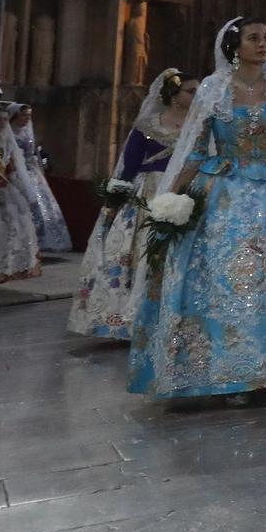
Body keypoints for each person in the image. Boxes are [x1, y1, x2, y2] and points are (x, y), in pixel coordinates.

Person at [128, 18, 266, 402]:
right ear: (234, 46)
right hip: (226, 193)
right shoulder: (214, 89)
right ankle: (231, 368)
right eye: (253, 38)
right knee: (226, 277)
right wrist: (170, 199)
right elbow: (196, 150)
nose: (263, 44)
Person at [68, 69, 197, 338]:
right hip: (147, 194)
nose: (196, 96)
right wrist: (116, 201)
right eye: (191, 91)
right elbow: (129, 166)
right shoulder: (148, 126)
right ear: (174, 96)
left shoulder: (200, 127)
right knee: (138, 253)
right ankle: (130, 319)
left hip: (186, 192)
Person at [0, 102, 42, 289]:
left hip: (1, 191)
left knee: (0, 234)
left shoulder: (6, 141)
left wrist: (25, 191)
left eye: (5, 119)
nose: (1, 123)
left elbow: (11, 169)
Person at [9, 105, 70, 254]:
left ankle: (41, 240)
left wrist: (39, 170)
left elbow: (33, 154)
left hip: (31, 172)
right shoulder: (8, 133)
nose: (26, 119)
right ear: (15, 116)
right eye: (23, 115)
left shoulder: (27, 133)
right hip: (16, 170)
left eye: (29, 116)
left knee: (42, 203)